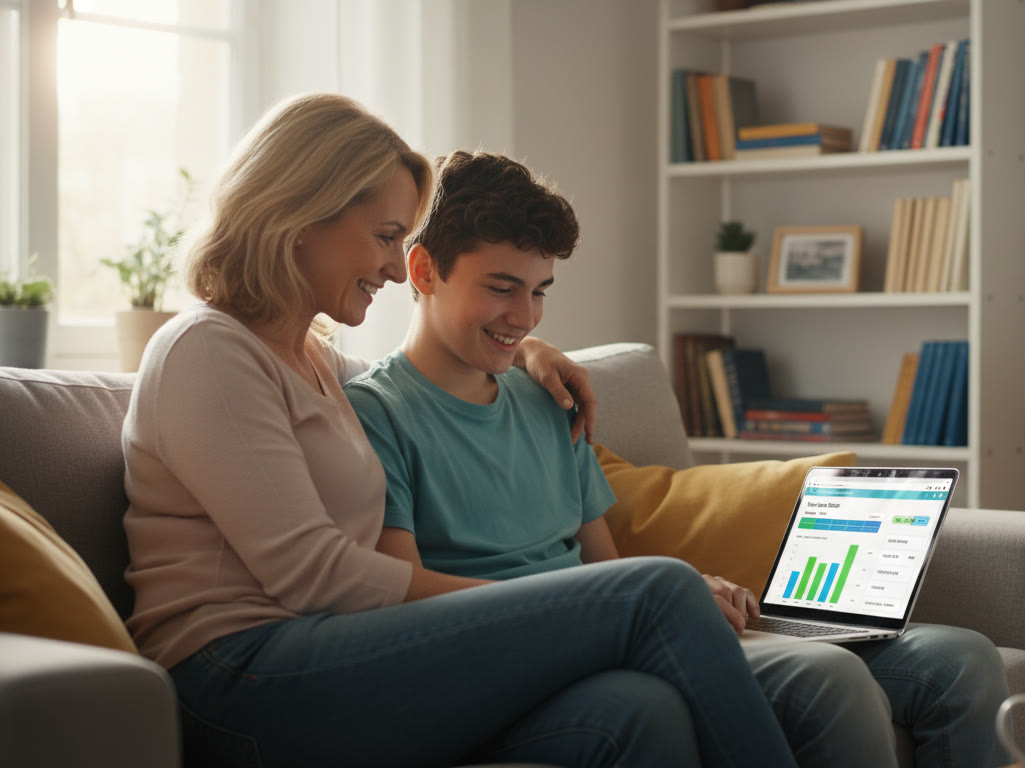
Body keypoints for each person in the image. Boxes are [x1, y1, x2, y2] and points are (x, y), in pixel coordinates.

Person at [120, 92, 824, 768]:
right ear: (302, 214)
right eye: (388, 238)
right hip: (241, 680)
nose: (398, 269)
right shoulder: (207, 351)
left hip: (323, 652)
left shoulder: (309, 357)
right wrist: (559, 605)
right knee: (656, 590)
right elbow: (314, 576)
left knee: (636, 709)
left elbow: (421, 376)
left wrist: (529, 350)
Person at [344, 150, 1011, 768]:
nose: (526, 317)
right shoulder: (378, 414)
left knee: (962, 660)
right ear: (424, 269)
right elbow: (405, 600)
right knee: (829, 681)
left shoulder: (551, 401)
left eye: (540, 291)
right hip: (541, 655)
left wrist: (691, 586)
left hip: (631, 628)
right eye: (502, 287)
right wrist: (628, 605)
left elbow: (607, 568)